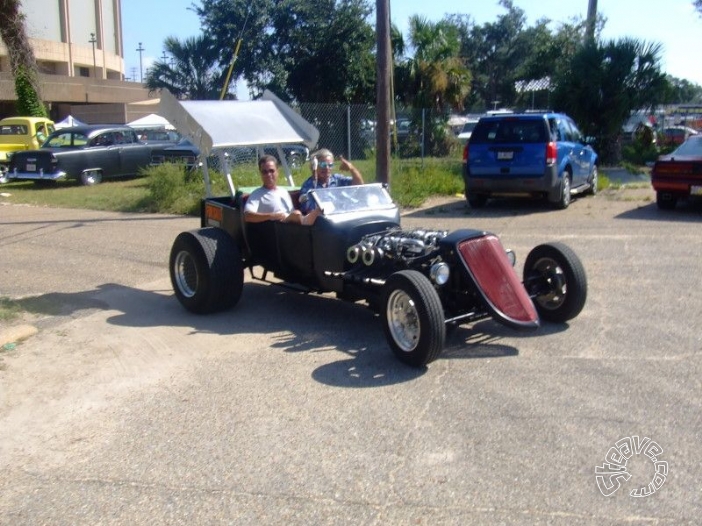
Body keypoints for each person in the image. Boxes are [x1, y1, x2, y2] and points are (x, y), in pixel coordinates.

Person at [244, 155, 321, 225]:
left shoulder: (283, 191)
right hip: (277, 229)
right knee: (296, 214)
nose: (268, 175)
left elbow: (291, 213)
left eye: (271, 171)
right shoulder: (257, 194)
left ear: (277, 172)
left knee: (319, 210)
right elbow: (248, 216)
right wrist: (271, 216)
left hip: (291, 226)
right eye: (265, 172)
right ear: (261, 174)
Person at [298, 149, 364, 214]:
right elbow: (310, 211)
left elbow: (359, 184)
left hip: (342, 215)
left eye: (330, 165)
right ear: (314, 166)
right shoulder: (308, 186)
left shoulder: (337, 179)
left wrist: (351, 168)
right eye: (323, 165)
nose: (327, 168)